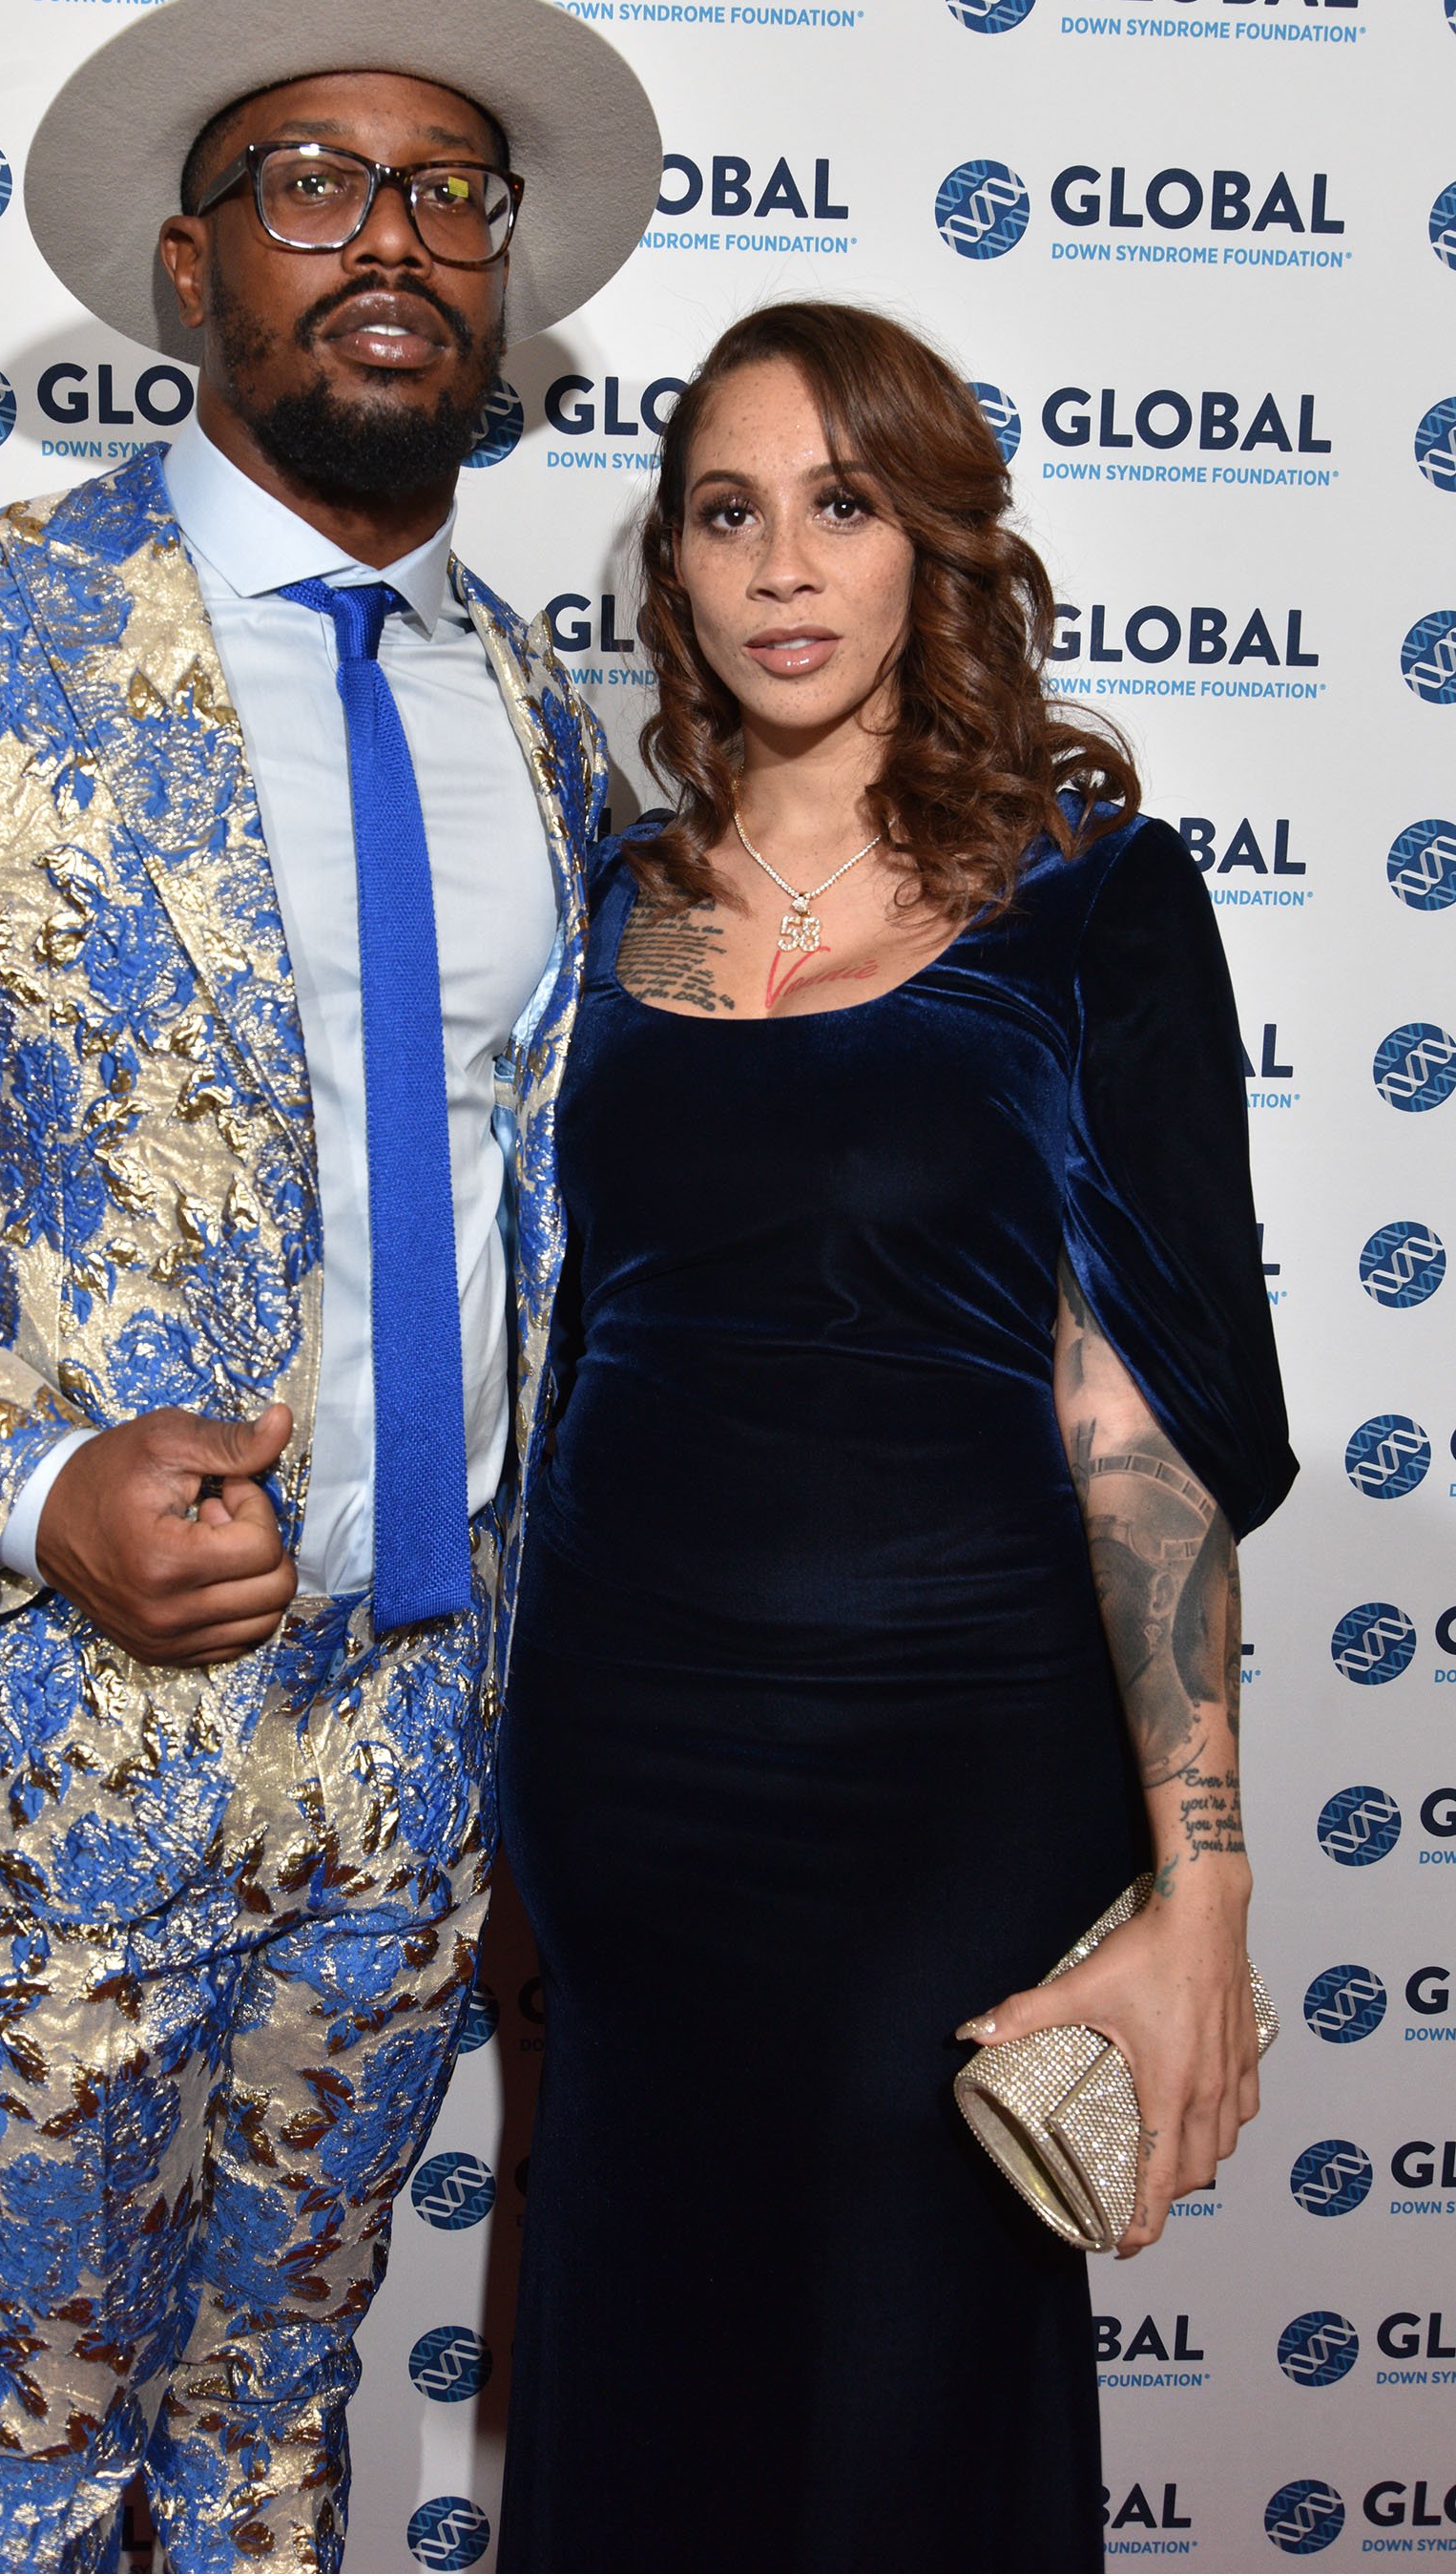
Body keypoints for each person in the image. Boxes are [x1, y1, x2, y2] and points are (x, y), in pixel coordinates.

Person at [0, 0, 660, 2574]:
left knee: (278, 2448)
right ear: (187, 267)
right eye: (308, 181)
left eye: (452, 189)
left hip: (425, 1746)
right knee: (36, 2457)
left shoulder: (551, 718)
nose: (393, 236)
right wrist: (40, 1463)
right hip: (58, 1746)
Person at [493, 302, 1296, 2574]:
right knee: (645, 2360)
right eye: (723, 513)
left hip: (952, 1765)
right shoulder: (599, 910)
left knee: (901, 2397)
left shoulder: (1087, 896)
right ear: (669, 566)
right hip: (624, 1770)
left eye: (837, 505)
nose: (778, 567)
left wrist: (1197, 1878)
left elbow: (1127, 1419)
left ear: (931, 545)